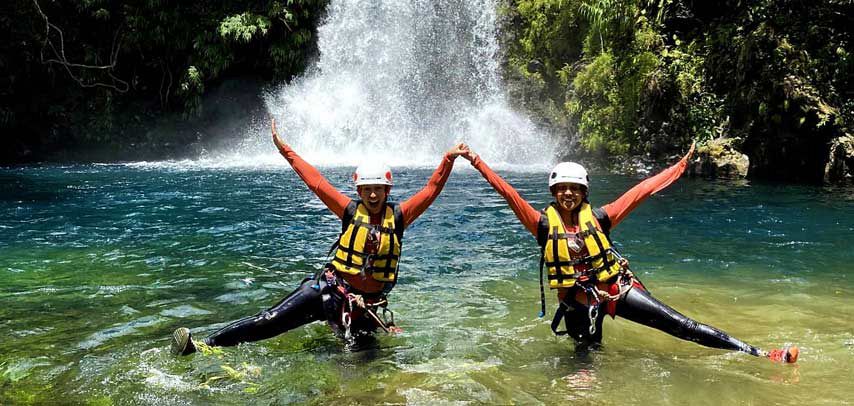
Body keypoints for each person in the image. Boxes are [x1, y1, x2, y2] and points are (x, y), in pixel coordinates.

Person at [459, 144, 798, 363]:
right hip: (576, 304)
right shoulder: (541, 224)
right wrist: (476, 161)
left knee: (681, 324)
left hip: (616, 291)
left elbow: (640, 192)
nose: (568, 194)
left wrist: (677, 168)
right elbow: (506, 191)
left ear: (583, 192)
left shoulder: (602, 218)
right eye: (562, 188)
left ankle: (758, 352)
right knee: (586, 357)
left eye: (574, 189)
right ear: (553, 191)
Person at [170, 120, 468, 355]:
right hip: (328, 290)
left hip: (365, 306)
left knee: (366, 361)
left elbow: (431, 190)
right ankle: (202, 346)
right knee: (270, 321)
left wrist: (448, 158)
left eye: (378, 188)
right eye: (367, 189)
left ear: (387, 191)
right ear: (359, 191)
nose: (373, 193)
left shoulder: (400, 216)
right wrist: (284, 150)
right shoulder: (350, 211)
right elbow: (316, 181)